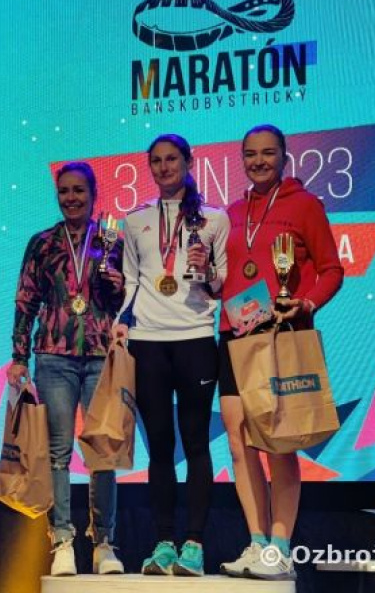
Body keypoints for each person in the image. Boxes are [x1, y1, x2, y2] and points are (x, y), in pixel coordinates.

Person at [217, 124, 343, 580]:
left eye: (268, 153)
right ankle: (256, 543)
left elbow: (332, 269)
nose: (259, 161)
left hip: (283, 333)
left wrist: (306, 303)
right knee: (238, 442)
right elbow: (224, 276)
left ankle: (280, 548)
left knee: (279, 442)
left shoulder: (305, 205)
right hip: (235, 334)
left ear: (285, 156)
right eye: (251, 154)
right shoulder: (231, 213)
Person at [114, 133, 230, 577]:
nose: (164, 167)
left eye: (172, 159)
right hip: (148, 342)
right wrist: (122, 321)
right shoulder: (134, 220)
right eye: (157, 161)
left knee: (196, 441)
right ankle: (163, 542)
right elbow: (131, 280)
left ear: (189, 162)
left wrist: (207, 271)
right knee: (159, 446)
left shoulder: (214, 219)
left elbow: (222, 283)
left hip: (196, 337)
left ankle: (194, 544)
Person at [6, 161, 126, 576]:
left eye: (79, 190)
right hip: (53, 356)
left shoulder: (111, 241)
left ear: (93, 194)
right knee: (57, 453)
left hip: (100, 355)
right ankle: (62, 541)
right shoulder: (42, 243)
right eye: (64, 191)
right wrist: (19, 356)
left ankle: (104, 542)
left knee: (103, 451)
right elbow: (26, 300)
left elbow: (123, 301)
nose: (71, 198)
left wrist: (116, 285)